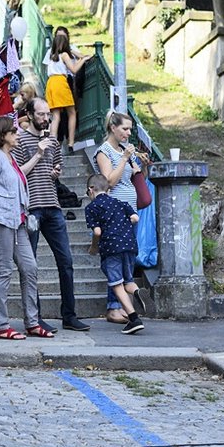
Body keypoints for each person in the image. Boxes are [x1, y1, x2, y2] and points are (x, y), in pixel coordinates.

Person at [12, 99, 89, 333]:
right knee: (31, 265)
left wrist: (56, 172)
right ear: (29, 114)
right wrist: (38, 153)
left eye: (48, 114)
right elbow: (17, 174)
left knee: (66, 261)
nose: (46, 118)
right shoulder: (19, 140)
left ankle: (69, 315)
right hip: (31, 208)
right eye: (41, 114)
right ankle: (36, 319)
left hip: (53, 206)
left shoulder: (53, 141)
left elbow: (57, 167)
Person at [0, 116, 48, 341]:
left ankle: (32, 321)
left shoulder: (9, 157)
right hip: (1, 221)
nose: (18, 135)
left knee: (30, 267)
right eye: (14, 132)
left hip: (17, 222)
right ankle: (1, 325)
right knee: (3, 271)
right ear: (3, 135)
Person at [94, 111, 146, 323]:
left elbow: (131, 175)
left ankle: (126, 306)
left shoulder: (125, 149)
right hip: (113, 215)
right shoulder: (104, 151)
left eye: (130, 129)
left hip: (129, 212)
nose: (128, 133)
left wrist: (136, 163)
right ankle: (113, 307)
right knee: (114, 260)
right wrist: (124, 159)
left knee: (127, 259)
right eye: (124, 129)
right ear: (113, 128)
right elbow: (109, 182)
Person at [85, 174, 148, 334]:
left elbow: (97, 232)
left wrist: (94, 248)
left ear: (91, 190)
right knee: (128, 280)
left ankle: (133, 318)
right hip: (130, 245)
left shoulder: (92, 208)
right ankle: (137, 291)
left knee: (116, 284)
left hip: (111, 248)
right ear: (108, 189)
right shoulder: (121, 203)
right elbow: (135, 218)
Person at [44, 26, 91, 151]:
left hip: (50, 83)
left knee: (56, 115)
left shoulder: (51, 54)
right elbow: (74, 70)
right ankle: (70, 143)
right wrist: (83, 59)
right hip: (60, 82)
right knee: (71, 112)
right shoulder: (64, 54)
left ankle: (52, 143)